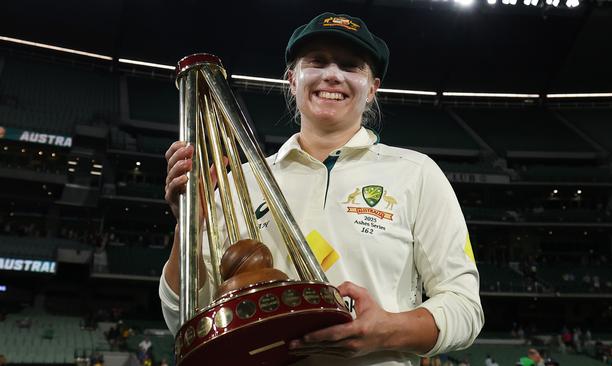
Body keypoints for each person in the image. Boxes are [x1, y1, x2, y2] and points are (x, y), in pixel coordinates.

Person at [159, 11, 483, 366]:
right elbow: (185, 321)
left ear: (372, 88)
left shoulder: (417, 174)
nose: (332, 74)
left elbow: (464, 307)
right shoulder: (241, 181)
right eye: (317, 61)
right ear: (292, 80)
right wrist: (187, 225)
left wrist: (386, 330)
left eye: (351, 65)